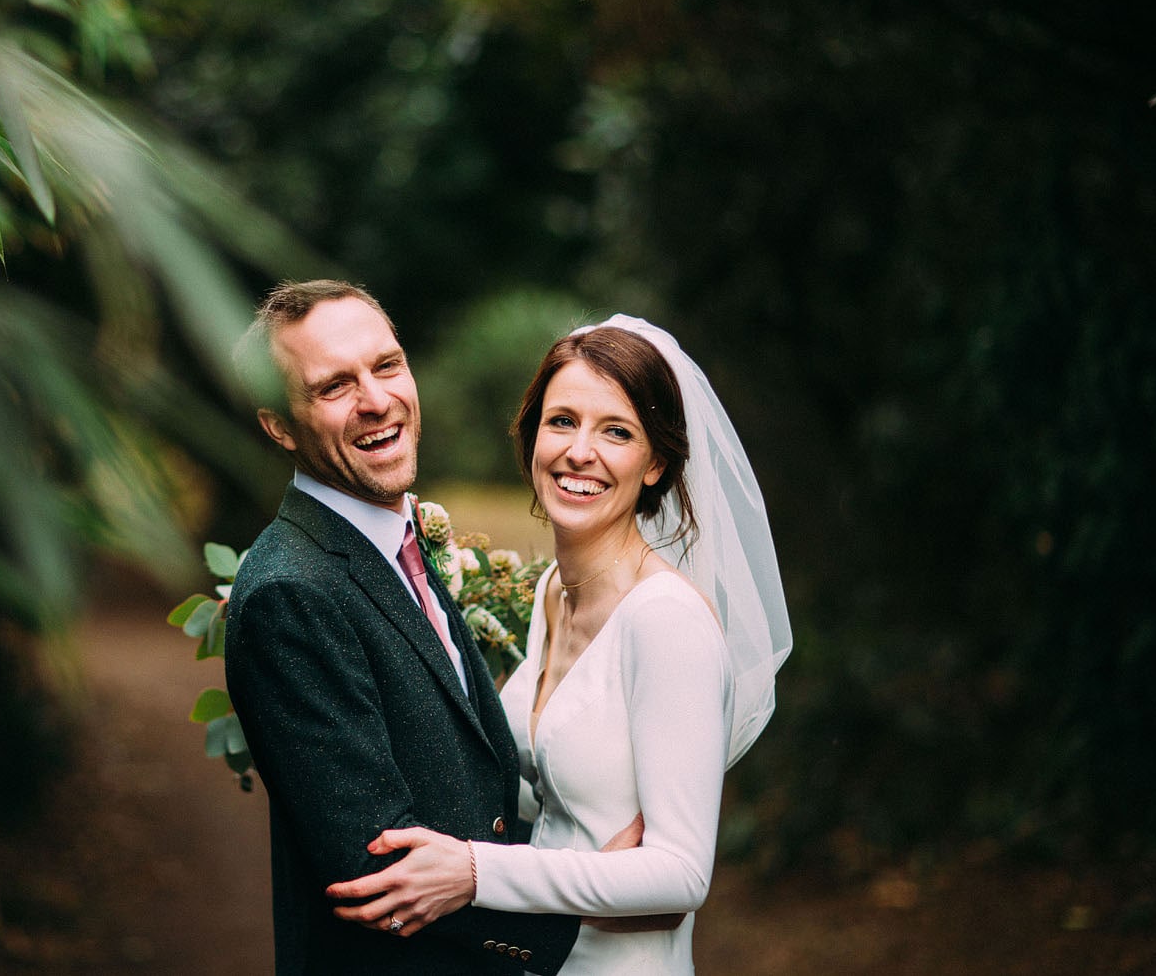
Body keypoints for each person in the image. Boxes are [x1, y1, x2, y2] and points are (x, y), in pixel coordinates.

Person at [326, 315, 793, 974]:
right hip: (537, 957)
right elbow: (554, 796)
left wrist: (476, 870)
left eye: (617, 431)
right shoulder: (554, 589)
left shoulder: (666, 621)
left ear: (656, 463)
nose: (579, 451)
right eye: (562, 421)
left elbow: (682, 873)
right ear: (533, 436)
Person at [223, 279, 583, 975]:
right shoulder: (289, 594)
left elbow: (470, 791)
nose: (376, 400)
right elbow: (377, 869)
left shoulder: (396, 543)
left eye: (387, 365)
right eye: (334, 386)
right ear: (279, 426)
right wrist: (589, 901)